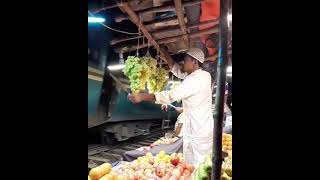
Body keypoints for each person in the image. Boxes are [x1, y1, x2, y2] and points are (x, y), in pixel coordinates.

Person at [128, 47, 214, 164]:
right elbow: (179, 71)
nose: (183, 63)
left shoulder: (195, 80)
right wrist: (165, 54)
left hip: (198, 132)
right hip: (199, 128)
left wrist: (142, 97)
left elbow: (170, 96)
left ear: (194, 62)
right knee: (193, 164)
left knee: (200, 165)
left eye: (185, 60)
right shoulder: (203, 75)